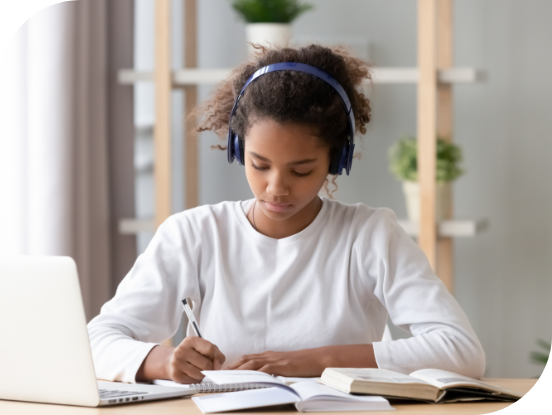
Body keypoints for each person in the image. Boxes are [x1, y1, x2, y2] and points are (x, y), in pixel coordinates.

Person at [87, 44, 485, 385]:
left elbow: (462, 350)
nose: (276, 187)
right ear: (239, 150)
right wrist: (163, 361)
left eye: (301, 170)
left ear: (336, 159)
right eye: (260, 165)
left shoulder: (370, 234)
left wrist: (314, 361)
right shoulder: (193, 233)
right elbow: (96, 340)